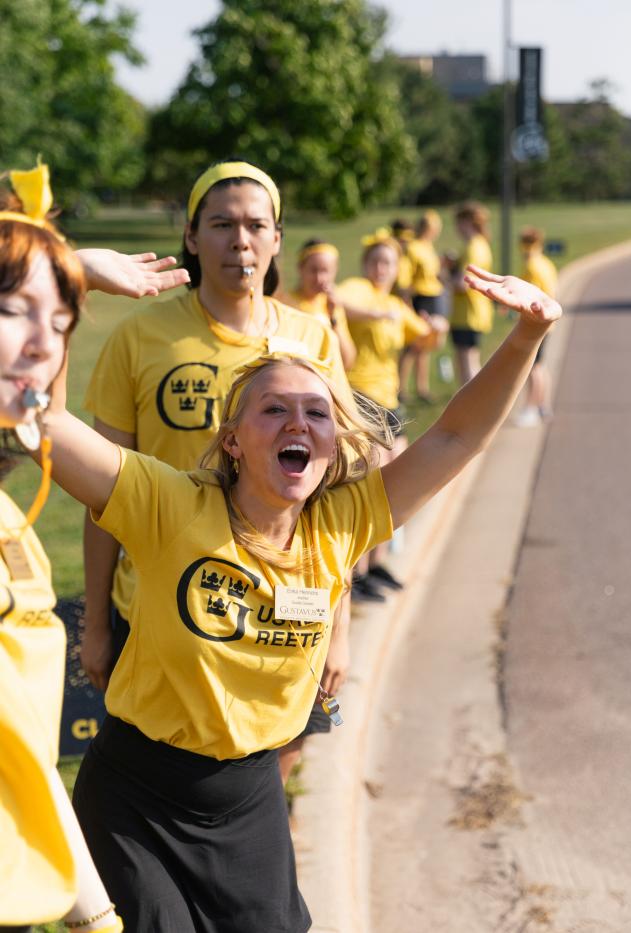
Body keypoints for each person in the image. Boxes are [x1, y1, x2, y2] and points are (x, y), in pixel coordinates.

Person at [32, 233, 560, 929]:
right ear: (232, 439)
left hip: (250, 799)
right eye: (275, 409)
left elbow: (454, 437)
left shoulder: (343, 521)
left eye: (316, 412)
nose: (299, 423)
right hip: (138, 798)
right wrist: (67, 279)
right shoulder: (168, 504)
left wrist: (527, 335)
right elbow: (44, 420)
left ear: (332, 442)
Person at [79, 161, 353, 782]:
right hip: (162, 603)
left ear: (277, 238)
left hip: (285, 607)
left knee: (274, 765)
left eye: (256, 225)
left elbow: (335, 498)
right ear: (191, 235)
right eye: (222, 224)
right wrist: (95, 623)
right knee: (161, 768)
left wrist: (339, 628)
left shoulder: (313, 340)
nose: (240, 241)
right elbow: (101, 496)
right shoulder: (140, 336)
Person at [0, 163, 186, 931]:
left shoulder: (9, 522)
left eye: (61, 320)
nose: (44, 344)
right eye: (14, 311)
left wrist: (97, 918)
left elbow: (23, 760)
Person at [337, 229, 449, 600]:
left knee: (395, 485)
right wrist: (375, 313)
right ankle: (356, 572)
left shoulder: (397, 305)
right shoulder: (359, 289)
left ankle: (376, 563)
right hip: (360, 397)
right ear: (365, 264)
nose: (381, 268)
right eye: (375, 261)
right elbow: (337, 300)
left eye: (388, 263)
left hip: (390, 400)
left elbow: (424, 338)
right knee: (372, 483)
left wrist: (437, 330)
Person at [398, 209, 448, 403]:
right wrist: (408, 304)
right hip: (420, 298)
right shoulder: (413, 247)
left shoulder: (428, 246)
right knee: (412, 346)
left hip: (433, 296)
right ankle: (401, 389)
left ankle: (422, 388)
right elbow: (405, 279)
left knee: (425, 346)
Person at [283, 239, 356, 370]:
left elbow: (348, 361)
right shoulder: (285, 303)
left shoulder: (332, 305)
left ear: (335, 271)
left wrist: (333, 318)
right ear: (300, 268)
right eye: (313, 270)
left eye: (325, 271)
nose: (319, 278)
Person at [515, 226, 558, 427]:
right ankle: (543, 406)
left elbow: (528, 297)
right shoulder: (545, 262)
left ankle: (531, 408)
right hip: (548, 322)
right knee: (540, 366)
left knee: (533, 368)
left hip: (535, 323)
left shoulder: (531, 266)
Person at [450, 201, 494, 384]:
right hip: (476, 311)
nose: (456, 228)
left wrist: (444, 277)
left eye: (458, 223)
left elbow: (463, 284)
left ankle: (474, 400)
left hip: (468, 313)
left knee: (467, 363)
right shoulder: (481, 244)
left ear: (466, 222)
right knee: (471, 360)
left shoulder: (472, 247)